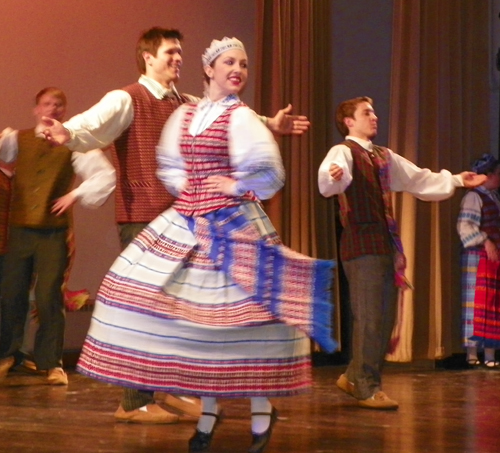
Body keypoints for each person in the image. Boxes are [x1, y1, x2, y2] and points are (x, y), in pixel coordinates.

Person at [75, 37, 334, 453]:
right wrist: (190, 192)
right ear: (209, 69)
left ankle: (260, 413)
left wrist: (235, 184)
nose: (238, 70)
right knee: (196, 320)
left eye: (244, 65)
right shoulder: (186, 112)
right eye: (229, 62)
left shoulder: (242, 117)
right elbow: (170, 164)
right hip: (190, 223)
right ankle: (209, 415)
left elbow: (269, 173)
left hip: (234, 224)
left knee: (244, 317)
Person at [318, 96, 487, 410]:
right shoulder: (344, 151)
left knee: (383, 318)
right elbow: (329, 179)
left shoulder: (383, 156)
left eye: (374, 111)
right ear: (349, 122)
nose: (375, 117)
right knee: (370, 317)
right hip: (361, 243)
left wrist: (458, 179)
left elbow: (418, 178)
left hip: (384, 244)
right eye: (366, 112)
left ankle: (355, 375)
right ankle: (366, 386)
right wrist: (334, 176)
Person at [0, 87, 116, 385]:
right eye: (46, 104)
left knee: (49, 294)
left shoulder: (74, 144)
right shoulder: (18, 139)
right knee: (12, 293)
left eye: (58, 105)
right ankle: (6, 355)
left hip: (53, 232)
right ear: (36, 109)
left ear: (64, 111)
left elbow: (104, 175)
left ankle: (51, 363)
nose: (52, 109)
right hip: (19, 229)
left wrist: (75, 194)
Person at [457, 153, 500, 368]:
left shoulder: (492, 197)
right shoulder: (474, 197)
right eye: (497, 173)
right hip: (476, 257)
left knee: (491, 303)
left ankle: (490, 354)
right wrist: (486, 241)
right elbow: (466, 227)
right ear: (488, 175)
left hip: (491, 258)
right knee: (476, 304)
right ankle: (473, 354)